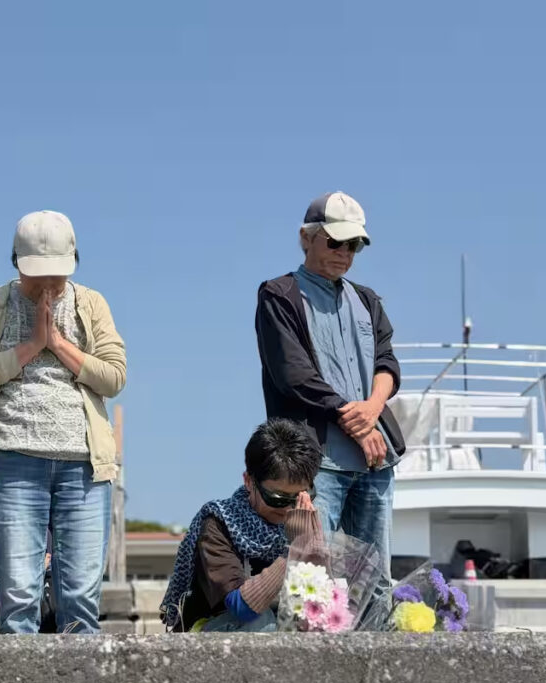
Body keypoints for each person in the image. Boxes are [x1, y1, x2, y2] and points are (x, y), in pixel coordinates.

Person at [0, 210, 126, 634]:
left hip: (84, 464)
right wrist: (32, 346)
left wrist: (58, 344)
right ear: (16, 261)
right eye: (38, 275)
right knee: (18, 597)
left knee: (81, 597)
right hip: (13, 461)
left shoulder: (91, 303)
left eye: (58, 274)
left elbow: (115, 376)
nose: (50, 285)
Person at [254, 191, 405, 579]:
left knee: (374, 581)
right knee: (313, 576)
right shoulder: (279, 295)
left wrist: (371, 410)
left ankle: (377, 642)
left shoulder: (368, 300)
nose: (345, 253)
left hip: (376, 461)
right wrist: (355, 421)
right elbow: (293, 374)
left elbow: (386, 362)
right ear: (306, 237)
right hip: (317, 465)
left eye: (354, 244)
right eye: (335, 241)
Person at [160, 419, 324, 632]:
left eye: (299, 497)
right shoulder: (220, 522)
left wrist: (315, 545)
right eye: (277, 497)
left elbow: (322, 599)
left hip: (276, 628)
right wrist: (296, 550)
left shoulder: (303, 518)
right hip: (212, 629)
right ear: (249, 481)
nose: (288, 508)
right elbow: (241, 608)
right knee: (262, 622)